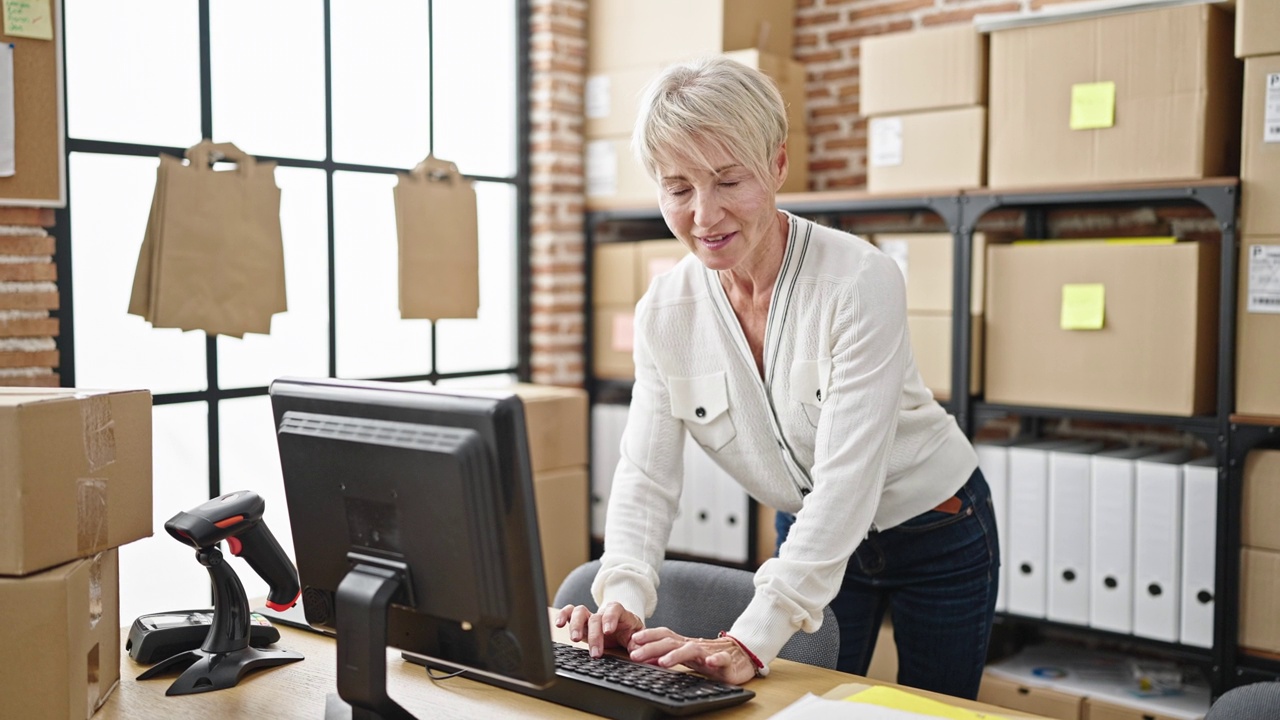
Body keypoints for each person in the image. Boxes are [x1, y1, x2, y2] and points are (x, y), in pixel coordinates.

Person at [555, 55, 999, 699]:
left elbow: (848, 481)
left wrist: (745, 639)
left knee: (933, 709)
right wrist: (622, 596)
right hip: (808, 533)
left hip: (936, 527)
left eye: (728, 181)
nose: (704, 216)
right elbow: (646, 475)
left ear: (778, 166)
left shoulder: (858, 282)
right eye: (678, 189)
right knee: (808, 708)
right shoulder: (664, 311)